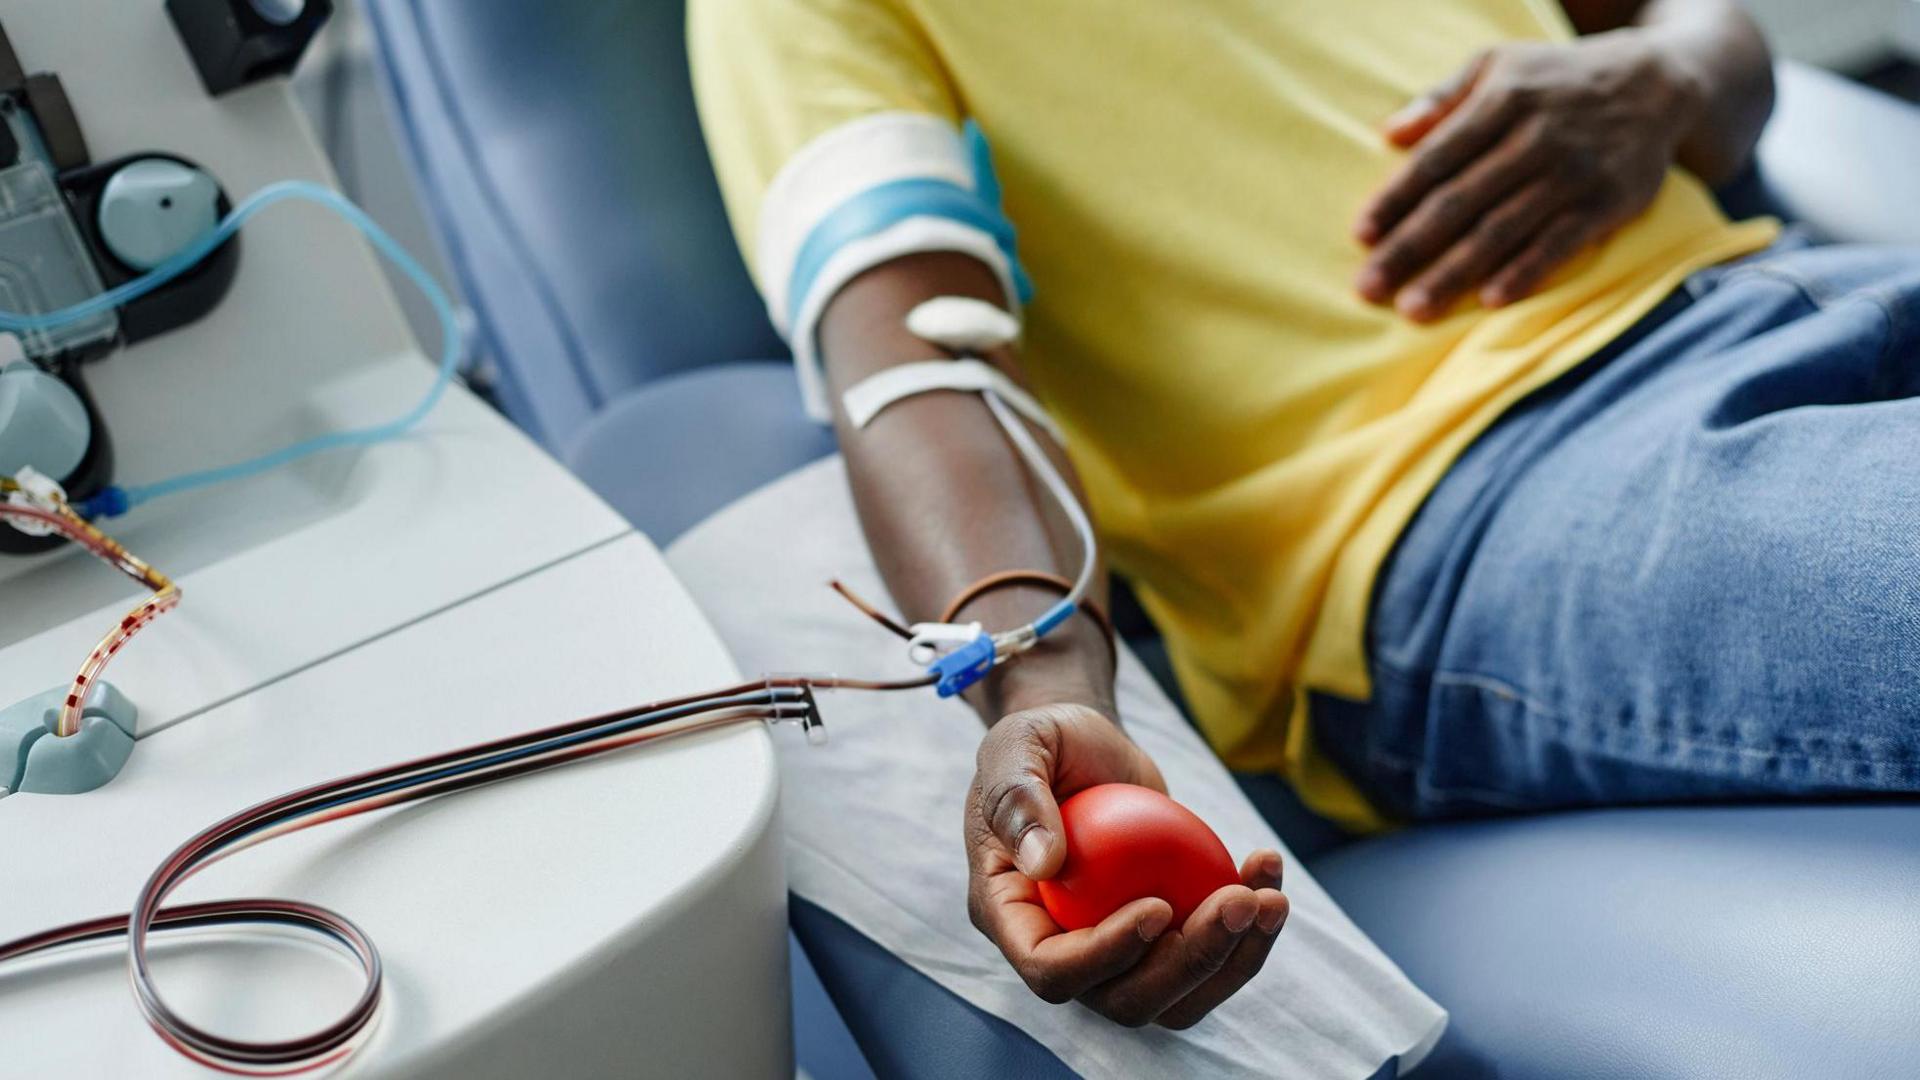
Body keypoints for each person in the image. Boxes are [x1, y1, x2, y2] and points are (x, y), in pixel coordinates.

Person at [690, 0, 1919, 1029]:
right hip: (1475, 498)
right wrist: (1046, 684)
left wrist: (1665, 76)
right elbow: (922, 364)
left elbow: (1690, 34)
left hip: (1784, 280)